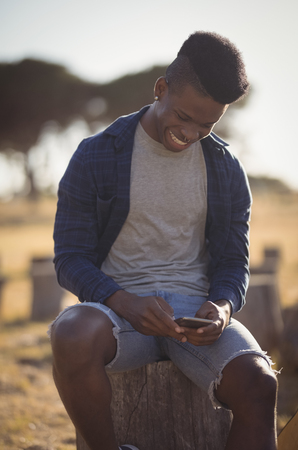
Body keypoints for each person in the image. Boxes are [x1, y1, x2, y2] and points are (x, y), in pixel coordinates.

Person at [50, 31, 278, 450]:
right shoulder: (96, 154)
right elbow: (70, 258)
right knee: (71, 332)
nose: (190, 133)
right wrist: (124, 303)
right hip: (115, 314)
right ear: (160, 89)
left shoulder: (226, 169)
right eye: (184, 117)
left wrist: (223, 308)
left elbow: (233, 261)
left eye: (206, 125)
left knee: (260, 383)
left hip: (194, 322)